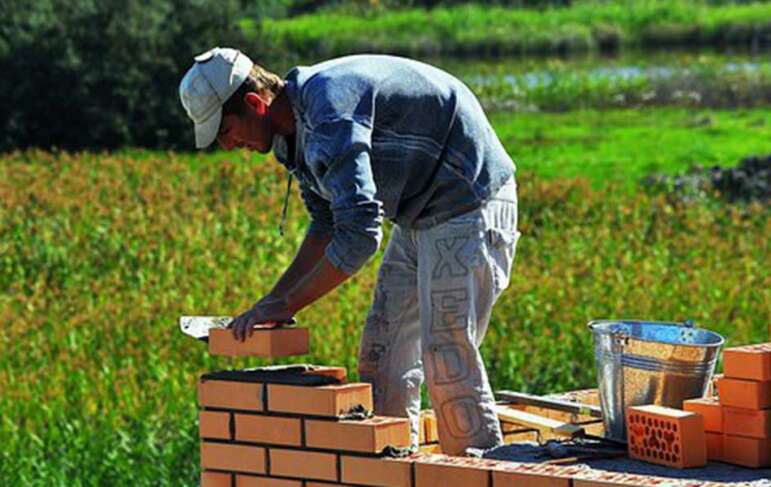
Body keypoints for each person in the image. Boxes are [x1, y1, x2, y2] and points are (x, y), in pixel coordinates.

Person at [179, 47, 520, 455]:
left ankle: (478, 474)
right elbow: (327, 225)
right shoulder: (293, 139)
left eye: (226, 131)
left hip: (468, 196)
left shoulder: (328, 110)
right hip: (418, 212)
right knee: (382, 355)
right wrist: (271, 301)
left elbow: (359, 236)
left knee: (446, 354)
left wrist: (286, 303)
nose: (229, 145)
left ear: (255, 103)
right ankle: (395, 471)